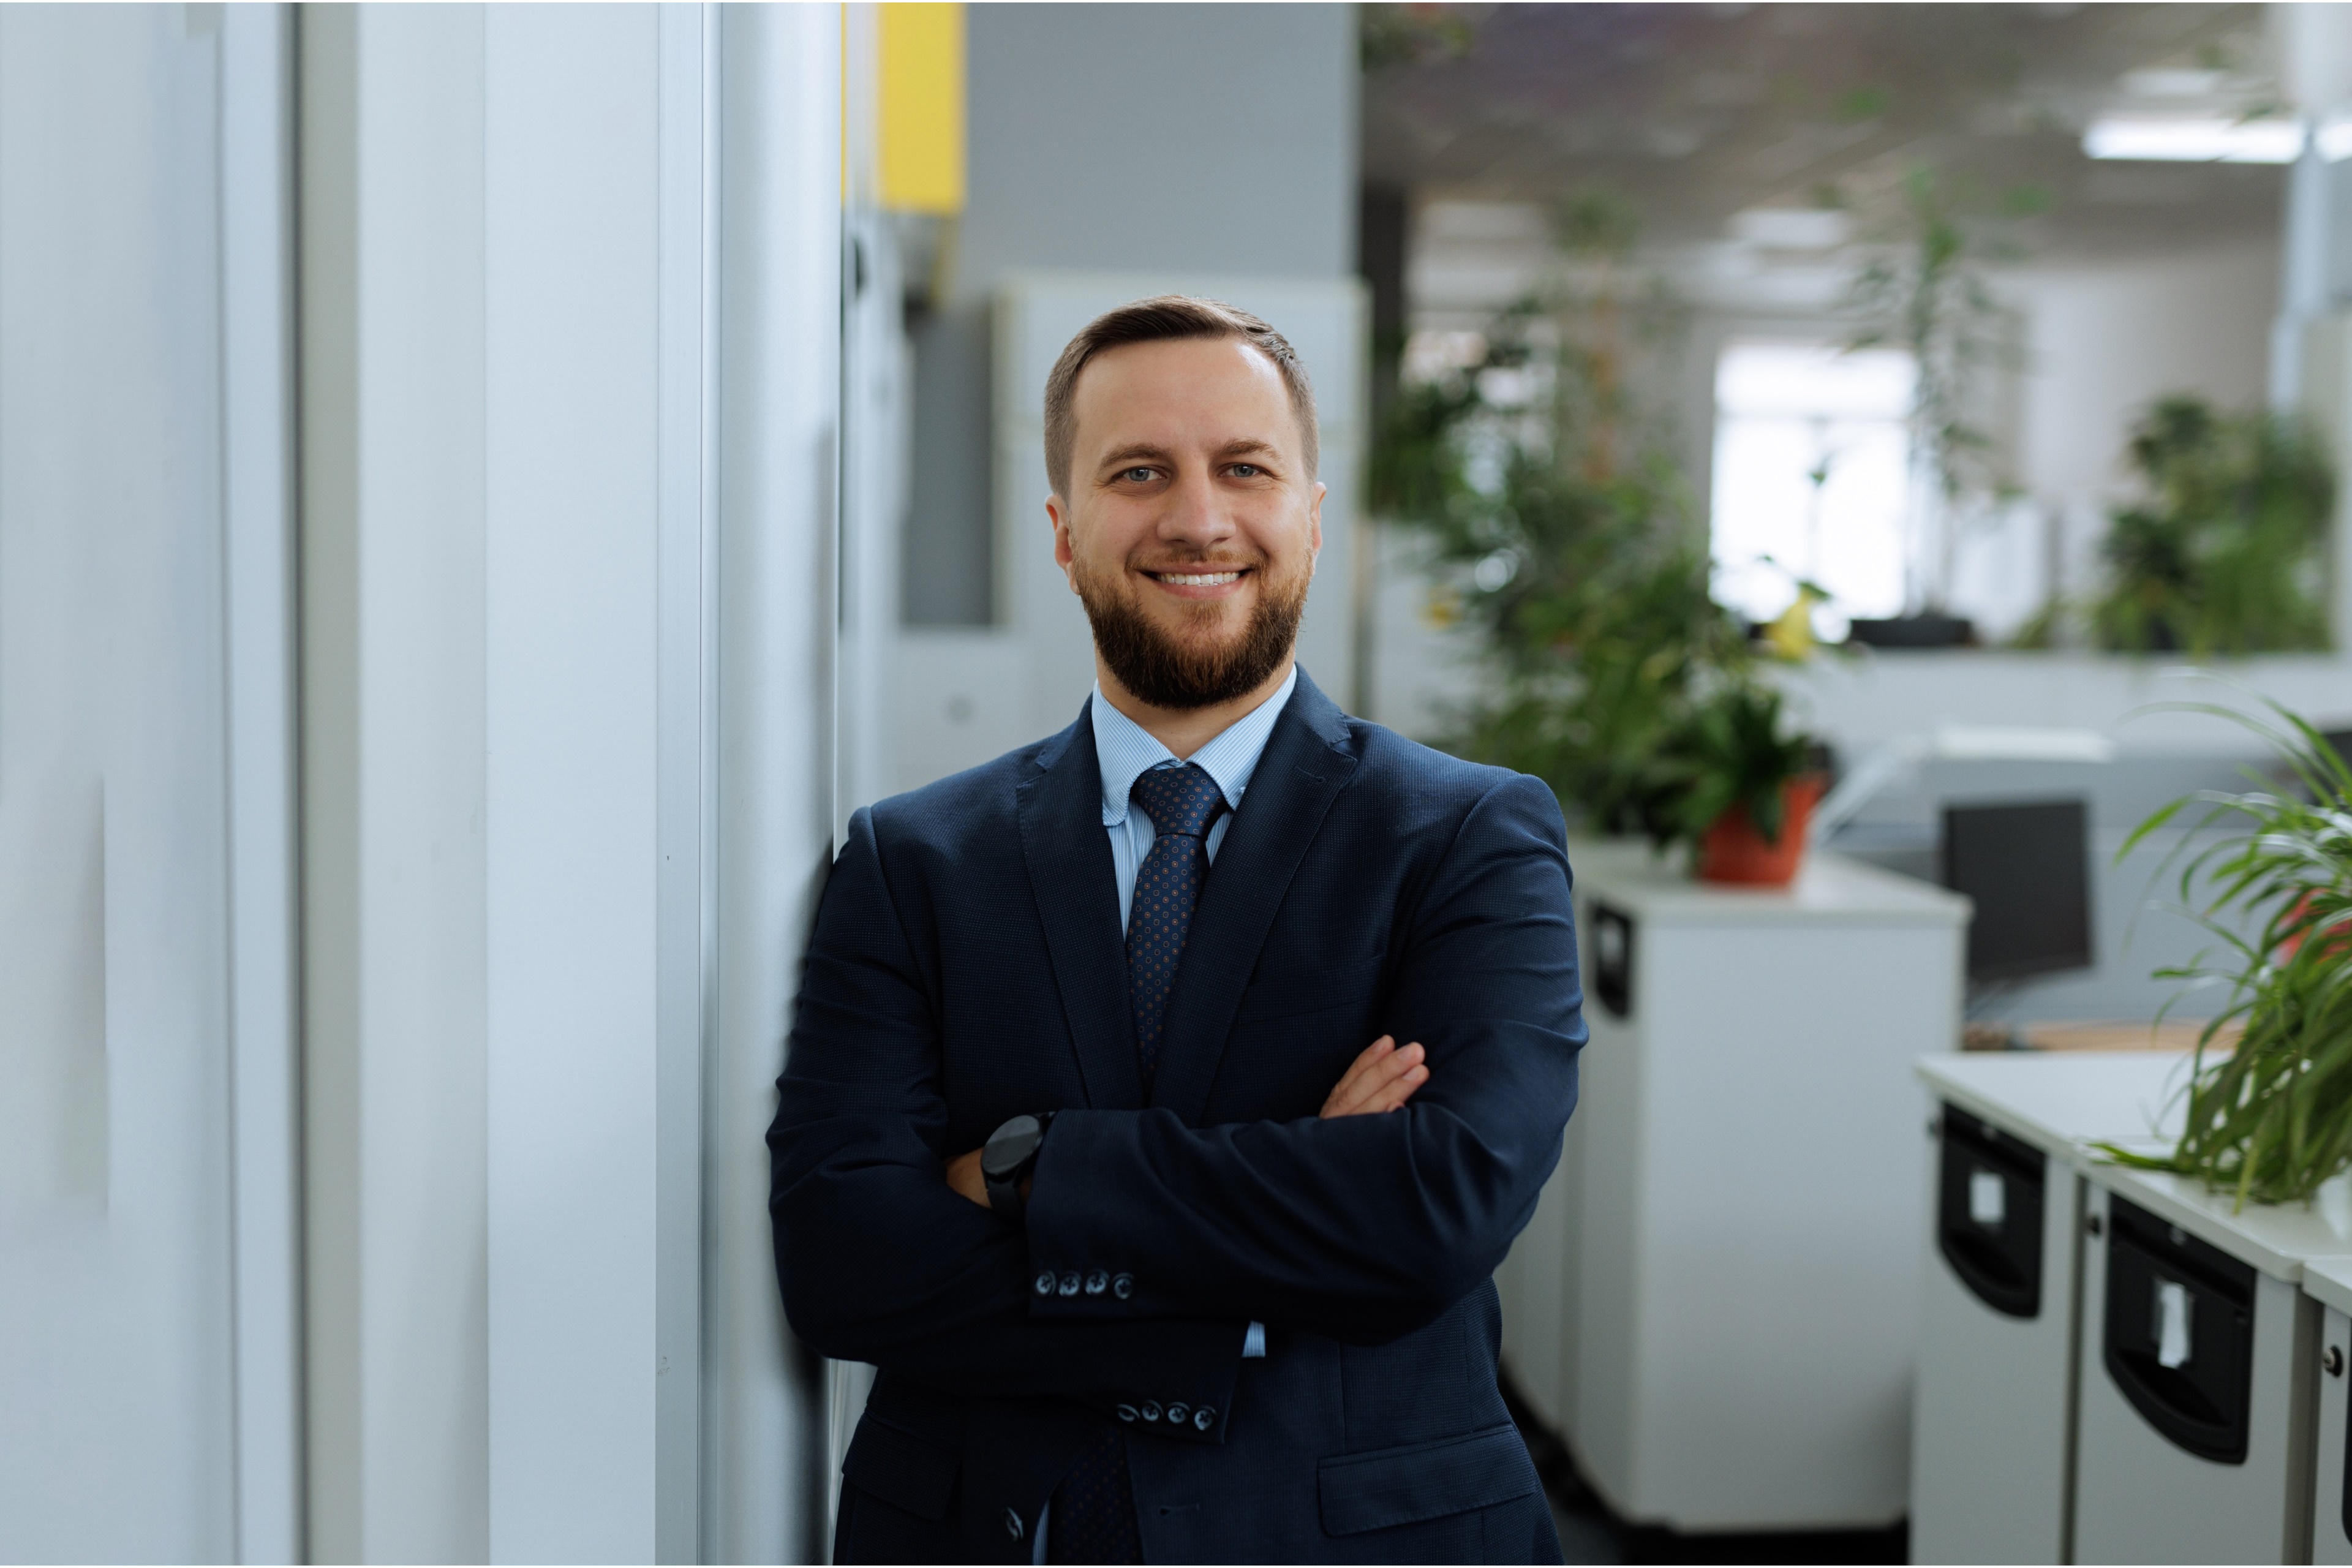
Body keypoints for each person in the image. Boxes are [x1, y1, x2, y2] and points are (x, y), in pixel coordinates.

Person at [769, 295, 1584, 1564]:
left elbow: (1439, 1204)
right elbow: (845, 1259)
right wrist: (1292, 1221)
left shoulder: (1468, 836)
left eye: (1245, 468)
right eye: (1138, 471)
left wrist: (1035, 1171)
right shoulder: (912, 859)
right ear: (1064, 528)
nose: (1198, 517)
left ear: (1310, 513)